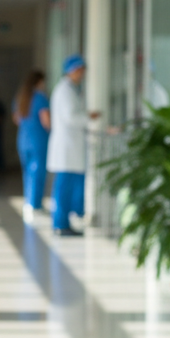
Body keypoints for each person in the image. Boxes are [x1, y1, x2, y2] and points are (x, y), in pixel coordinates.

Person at [47, 54, 99, 236]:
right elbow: (70, 117)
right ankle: (60, 225)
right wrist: (88, 117)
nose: (82, 74)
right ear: (73, 71)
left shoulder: (70, 89)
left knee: (67, 189)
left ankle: (63, 223)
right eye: (81, 71)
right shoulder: (65, 90)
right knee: (63, 190)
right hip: (66, 148)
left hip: (70, 148)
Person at [12, 69, 50, 222]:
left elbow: (16, 119)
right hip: (38, 140)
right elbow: (46, 120)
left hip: (23, 139)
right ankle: (35, 206)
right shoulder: (40, 97)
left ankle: (29, 202)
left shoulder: (20, 97)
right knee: (38, 172)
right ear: (39, 81)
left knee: (27, 172)